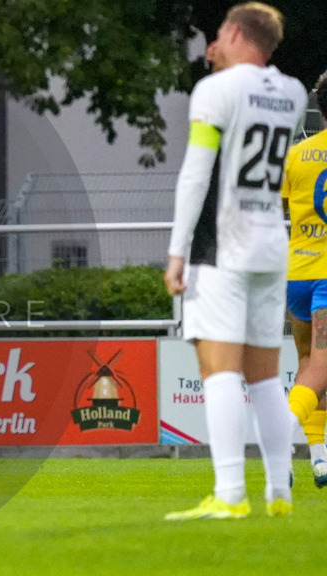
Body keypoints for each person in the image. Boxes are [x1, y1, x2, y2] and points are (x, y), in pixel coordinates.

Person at [163, 2, 306, 520]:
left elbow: (196, 172)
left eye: (221, 33)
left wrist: (177, 251)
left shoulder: (216, 90)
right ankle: (280, 492)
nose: (214, 43)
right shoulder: (293, 92)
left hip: (222, 244)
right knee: (265, 376)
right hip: (271, 242)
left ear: (237, 33)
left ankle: (229, 494)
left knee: (218, 370)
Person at [282, 72, 327, 488]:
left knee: (308, 366)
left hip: (297, 275)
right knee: (322, 368)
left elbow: (282, 206)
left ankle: (318, 458)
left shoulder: (296, 155)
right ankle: (279, 439)